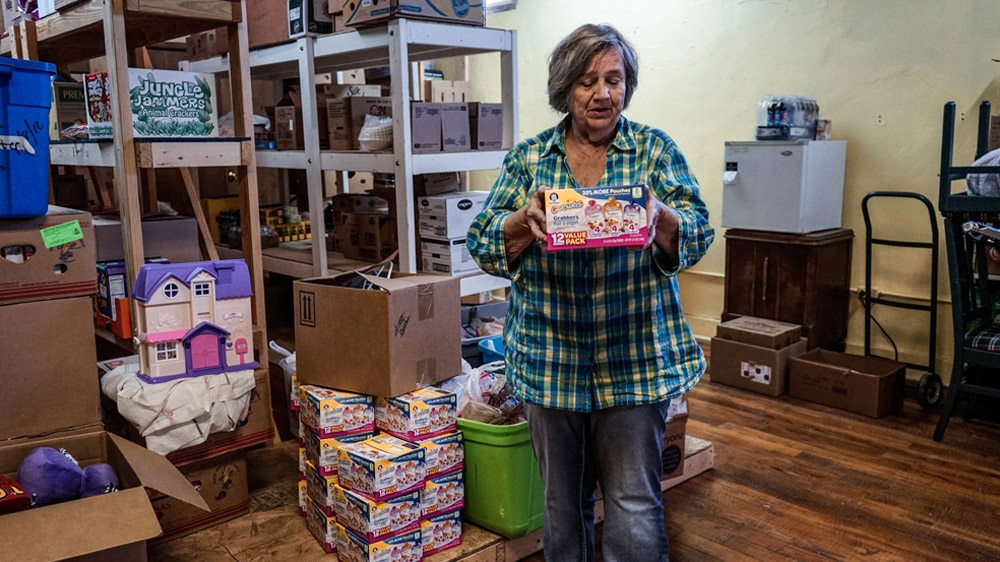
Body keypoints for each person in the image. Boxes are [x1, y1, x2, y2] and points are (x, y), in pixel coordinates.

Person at [466, 23, 715, 562]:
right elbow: (482, 243)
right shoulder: (531, 159)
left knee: (633, 504)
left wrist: (661, 217)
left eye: (614, 79)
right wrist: (519, 221)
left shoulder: (652, 151)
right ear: (565, 89)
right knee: (561, 506)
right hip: (550, 359)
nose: (602, 94)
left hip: (633, 360)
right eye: (587, 81)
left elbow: (698, 232)